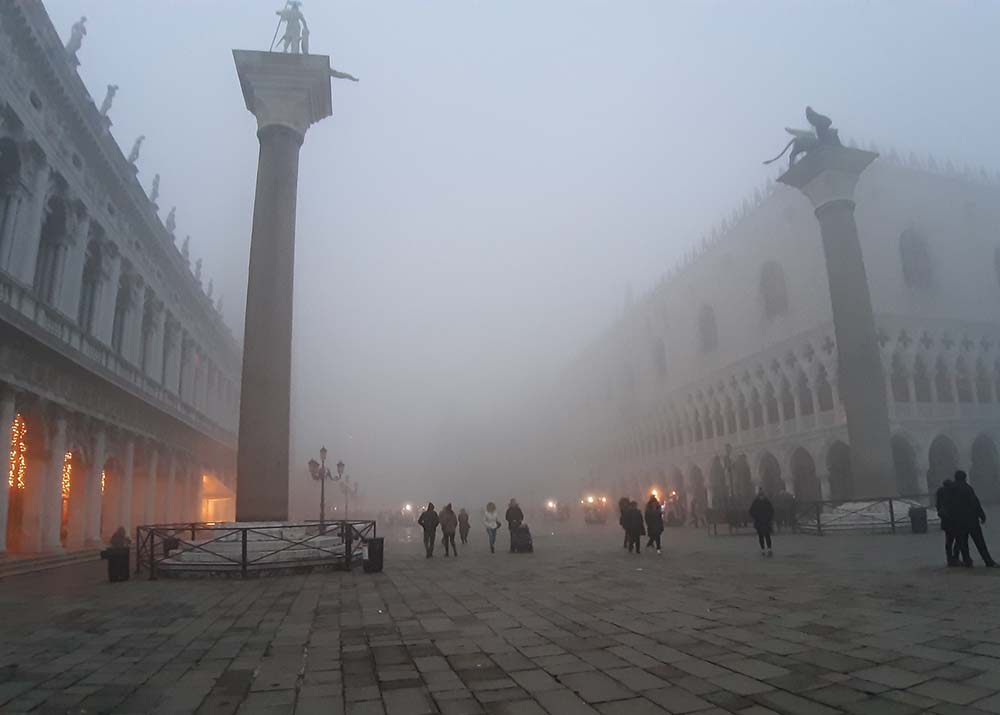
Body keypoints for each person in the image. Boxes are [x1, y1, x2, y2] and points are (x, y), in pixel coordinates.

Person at [953, 471, 996, 568]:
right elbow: (975, 503)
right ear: (964, 478)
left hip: (958, 521)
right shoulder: (967, 488)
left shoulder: (951, 489)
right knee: (979, 541)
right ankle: (988, 561)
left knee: (962, 542)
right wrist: (982, 515)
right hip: (971, 519)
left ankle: (967, 561)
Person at [936, 478, 959, 566]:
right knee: (959, 540)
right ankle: (955, 558)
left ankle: (949, 559)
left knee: (949, 541)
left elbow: (938, 506)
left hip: (946, 520)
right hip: (955, 520)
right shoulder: (953, 492)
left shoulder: (940, 492)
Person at [749, 488, 775, 557]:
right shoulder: (767, 501)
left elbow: (751, 511)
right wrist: (769, 518)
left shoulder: (756, 501)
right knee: (767, 536)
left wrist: (756, 517)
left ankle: (763, 550)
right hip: (766, 521)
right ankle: (769, 549)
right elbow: (772, 510)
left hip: (759, 521)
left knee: (761, 536)